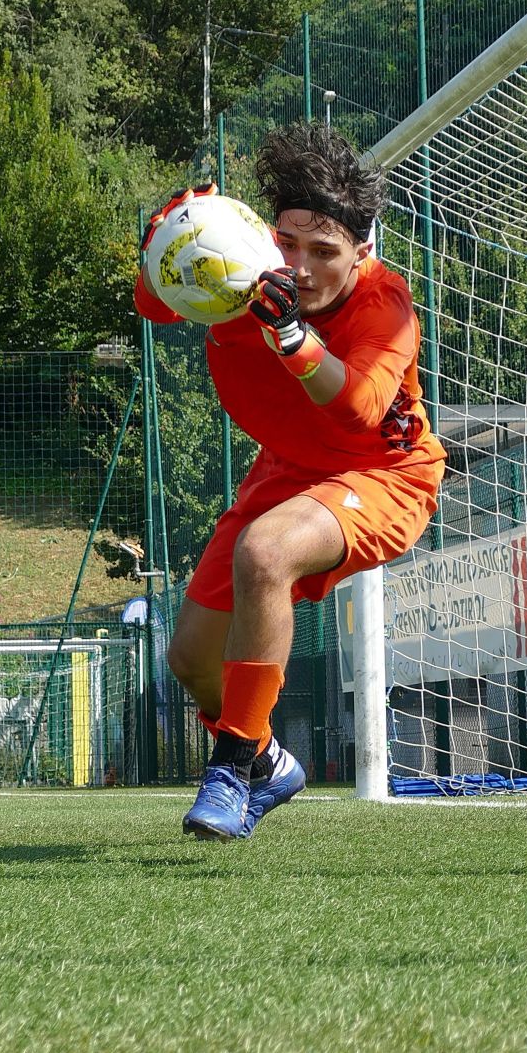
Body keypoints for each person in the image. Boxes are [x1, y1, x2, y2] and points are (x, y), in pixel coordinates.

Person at [135, 121, 446, 840]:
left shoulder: (385, 304)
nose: (301, 267)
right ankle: (271, 762)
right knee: (191, 660)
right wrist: (167, 241)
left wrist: (292, 337)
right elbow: (155, 303)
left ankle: (231, 768)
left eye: (324, 252)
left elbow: (359, 405)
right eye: (289, 244)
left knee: (266, 551)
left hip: (383, 472)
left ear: (362, 251)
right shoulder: (243, 270)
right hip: (287, 467)